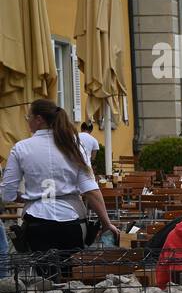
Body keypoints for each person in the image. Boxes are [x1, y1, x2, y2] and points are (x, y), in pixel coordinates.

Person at [1, 99, 120, 259]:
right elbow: (91, 190)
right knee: (71, 275)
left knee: (42, 278)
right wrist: (106, 223)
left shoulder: (21, 148)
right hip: (72, 221)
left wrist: (24, 198)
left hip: (36, 222)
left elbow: (6, 193)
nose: (27, 121)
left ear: (38, 119)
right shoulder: (74, 145)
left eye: (28, 117)